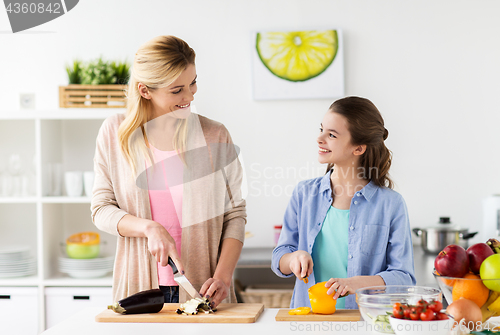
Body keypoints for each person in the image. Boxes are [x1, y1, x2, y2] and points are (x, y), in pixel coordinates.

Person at [91, 35, 246, 308]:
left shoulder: (214, 135)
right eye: (177, 90)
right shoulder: (115, 134)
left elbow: (234, 215)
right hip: (139, 288)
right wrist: (148, 228)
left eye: (193, 83)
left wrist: (222, 277)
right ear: (145, 90)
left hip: (204, 290)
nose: (189, 96)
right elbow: (101, 209)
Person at [271, 96, 415, 309]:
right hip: (309, 321)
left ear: (358, 148)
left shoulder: (391, 204)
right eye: (321, 130)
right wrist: (293, 258)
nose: (320, 139)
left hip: (365, 322)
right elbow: (279, 257)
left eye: (331, 135)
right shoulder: (304, 193)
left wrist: (357, 284)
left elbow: (404, 278)